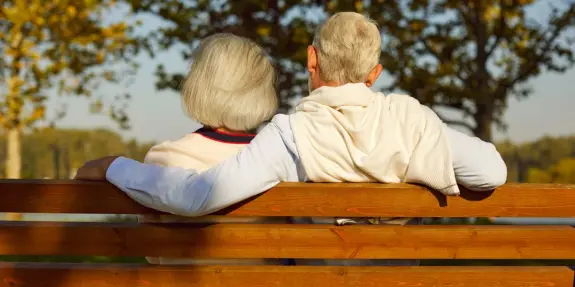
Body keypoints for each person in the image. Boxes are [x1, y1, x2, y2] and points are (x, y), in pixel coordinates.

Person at [76, 12, 507, 265]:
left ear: (311, 59)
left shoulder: (291, 134)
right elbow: (491, 171)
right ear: (374, 74)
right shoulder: (413, 121)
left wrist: (114, 166)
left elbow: (197, 196)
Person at [134, 33, 284, 265]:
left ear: (198, 86)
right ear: (262, 92)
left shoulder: (163, 159)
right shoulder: (279, 161)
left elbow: (153, 253)